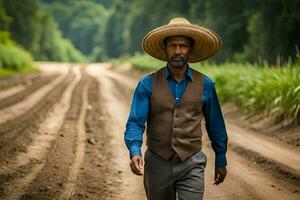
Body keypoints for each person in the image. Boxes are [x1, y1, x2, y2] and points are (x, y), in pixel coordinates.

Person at [124, 17, 228, 200]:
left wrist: (221, 157)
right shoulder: (147, 84)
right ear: (165, 49)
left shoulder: (206, 85)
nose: (178, 51)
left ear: (190, 49)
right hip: (157, 163)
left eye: (183, 46)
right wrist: (134, 150)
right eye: (173, 45)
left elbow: (216, 124)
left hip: (192, 162)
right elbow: (135, 122)